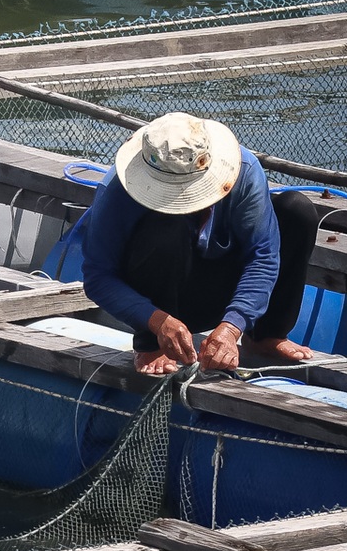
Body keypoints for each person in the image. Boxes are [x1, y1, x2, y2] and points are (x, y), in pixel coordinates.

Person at [80, 112, 321, 375]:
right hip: (156, 298)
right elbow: (98, 276)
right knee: (165, 227)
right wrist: (157, 321)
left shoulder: (245, 171)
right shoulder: (117, 190)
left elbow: (262, 256)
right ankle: (152, 345)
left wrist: (232, 326)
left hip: (219, 287)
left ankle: (267, 336)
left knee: (297, 210)